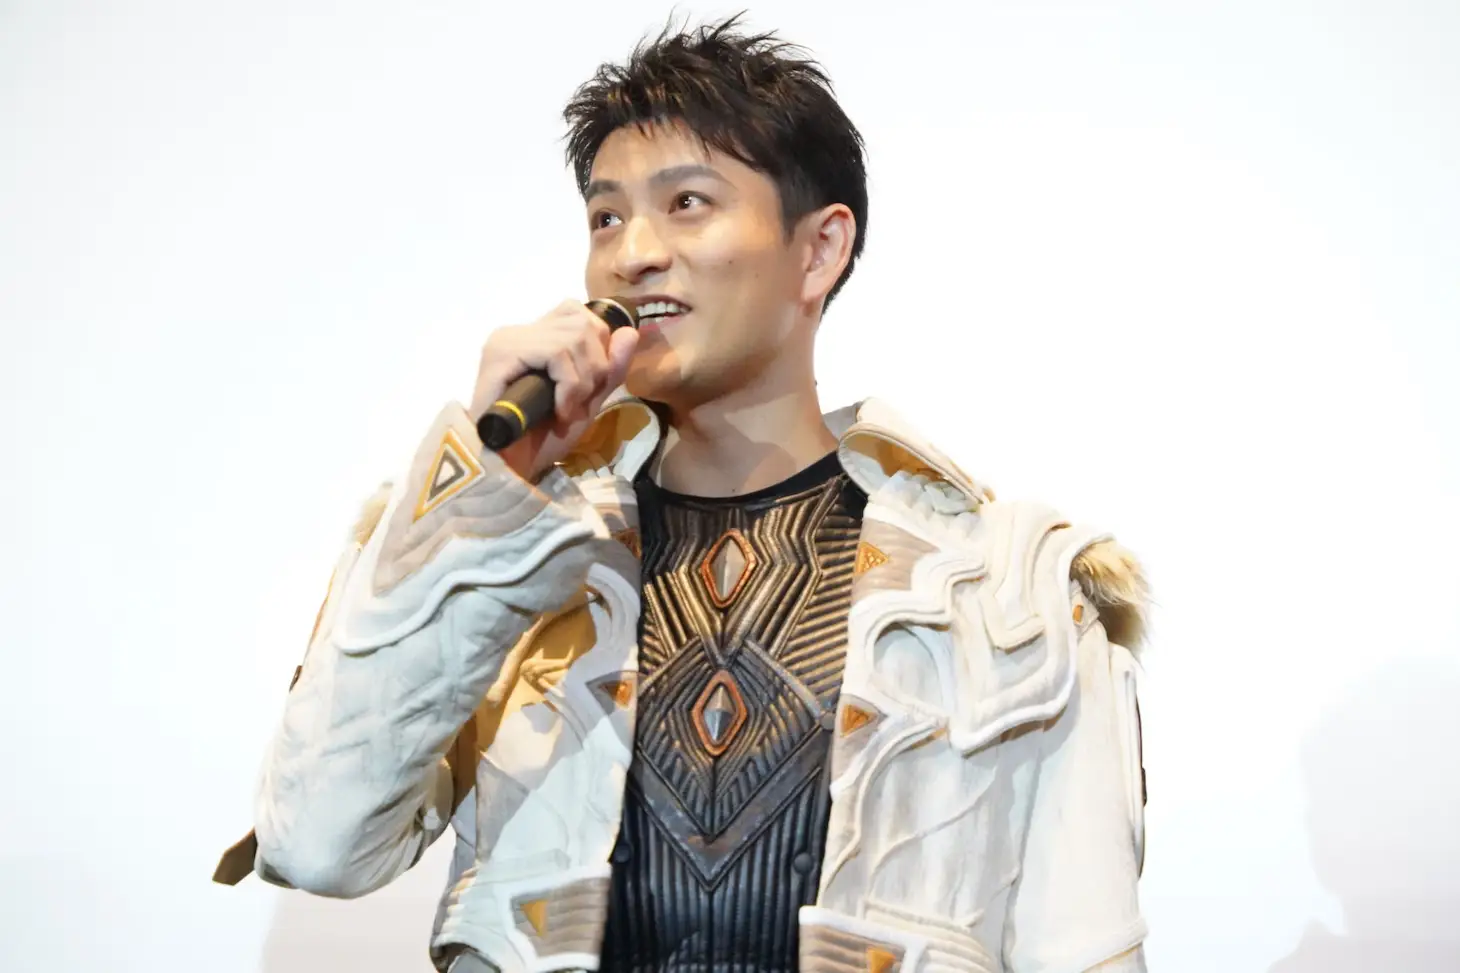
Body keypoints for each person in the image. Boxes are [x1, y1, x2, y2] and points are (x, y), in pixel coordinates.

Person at [215, 15, 1153, 973]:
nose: (633, 253)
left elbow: (1089, 950)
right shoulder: (504, 553)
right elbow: (315, 842)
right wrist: (488, 494)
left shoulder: (1009, 592)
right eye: (606, 218)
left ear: (819, 250)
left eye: (688, 203)